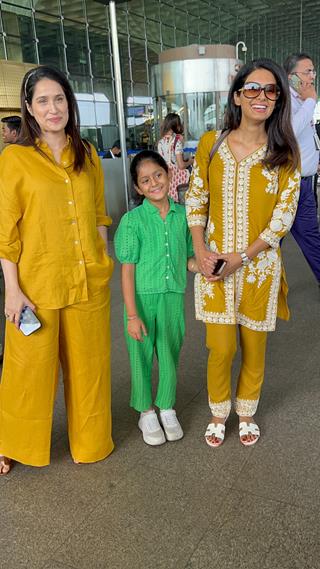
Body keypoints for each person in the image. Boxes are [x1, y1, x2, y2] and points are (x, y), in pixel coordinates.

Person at [0, 66, 114, 475]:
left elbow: (100, 212)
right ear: (29, 109)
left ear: (70, 103)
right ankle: (13, 442)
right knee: (28, 370)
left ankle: (91, 440)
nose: (53, 108)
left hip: (88, 282)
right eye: (43, 101)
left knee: (90, 369)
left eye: (60, 98)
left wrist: (102, 253)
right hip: (37, 283)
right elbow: (5, 233)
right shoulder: (15, 159)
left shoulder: (88, 153)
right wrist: (12, 290)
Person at [185, 59, 300, 448]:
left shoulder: (285, 152)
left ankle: (246, 410)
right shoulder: (210, 143)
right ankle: (219, 411)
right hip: (215, 267)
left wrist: (243, 257)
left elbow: (284, 216)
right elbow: (196, 198)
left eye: (271, 90)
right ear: (237, 95)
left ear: (279, 100)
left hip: (259, 269)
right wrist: (201, 251)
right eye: (252, 88)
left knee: (254, 347)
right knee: (221, 348)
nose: (261, 96)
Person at [114, 150, 197, 446]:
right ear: (138, 188)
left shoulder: (184, 216)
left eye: (158, 175)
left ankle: (166, 406)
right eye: (145, 181)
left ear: (169, 173)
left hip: (173, 296)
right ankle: (145, 410)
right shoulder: (132, 221)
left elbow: (189, 258)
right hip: (141, 300)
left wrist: (203, 264)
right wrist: (132, 315)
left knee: (170, 352)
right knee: (141, 355)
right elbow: (126, 271)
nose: (154, 184)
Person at [284, 53, 320, 286]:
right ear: (292, 77)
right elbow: (290, 131)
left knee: (311, 237)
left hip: (305, 182)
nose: (312, 76)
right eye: (307, 71)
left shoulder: (303, 101)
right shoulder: (285, 100)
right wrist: (310, 101)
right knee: (269, 240)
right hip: (289, 182)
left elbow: (308, 135)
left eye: (313, 71)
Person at [158, 113, 193, 202]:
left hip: (166, 175)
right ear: (175, 125)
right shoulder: (176, 141)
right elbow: (181, 165)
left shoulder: (160, 142)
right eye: (179, 124)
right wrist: (191, 161)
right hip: (177, 177)